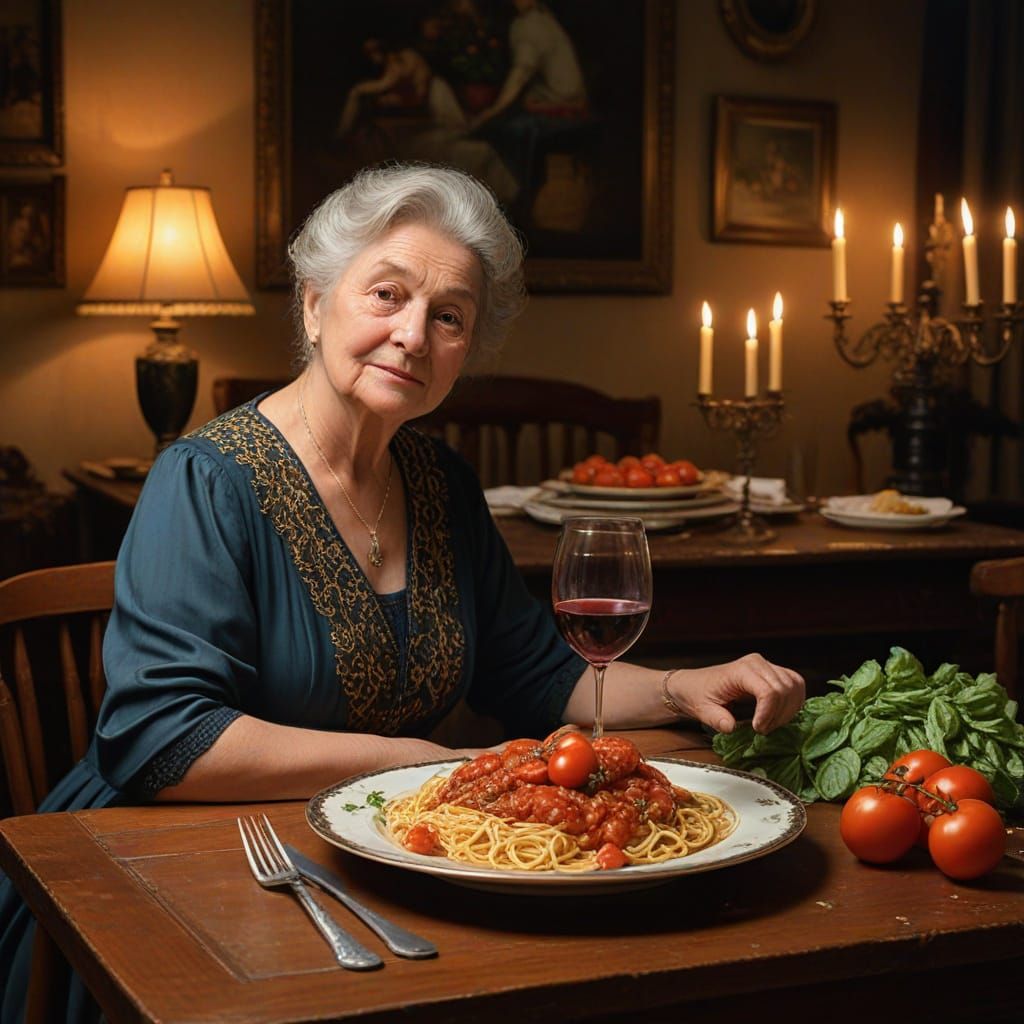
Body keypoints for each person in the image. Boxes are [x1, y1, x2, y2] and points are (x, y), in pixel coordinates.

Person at [0, 162, 804, 1022]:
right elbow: (161, 738)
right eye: (386, 294)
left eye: (448, 317)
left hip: (370, 855)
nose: (414, 335)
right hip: (153, 879)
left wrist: (684, 685)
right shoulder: (204, 480)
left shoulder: (441, 482)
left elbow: (535, 674)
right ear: (314, 304)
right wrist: (409, 763)